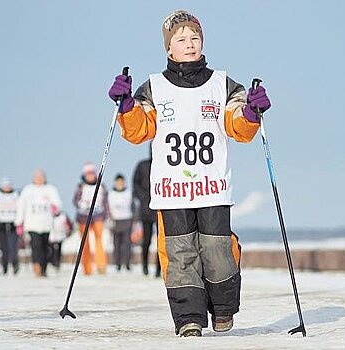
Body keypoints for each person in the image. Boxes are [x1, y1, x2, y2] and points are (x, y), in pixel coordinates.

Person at [107, 10, 271, 337]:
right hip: (171, 189)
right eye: (181, 39)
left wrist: (252, 111)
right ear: (169, 48)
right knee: (180, 254)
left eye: (194, 38)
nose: (190, 44)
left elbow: (238, 127)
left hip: (213, 186)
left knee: (217, 251)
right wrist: (125, 105)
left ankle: (223, 310)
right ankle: (188, 320)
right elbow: (140, 130)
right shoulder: (152, 88)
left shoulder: (224, 84)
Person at [15, 169, 62, 277]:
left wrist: (56, 208)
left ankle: (44, 267)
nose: (39, 179)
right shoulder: (28, 190)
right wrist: (19, 222)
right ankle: (37, 266)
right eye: (37, 177)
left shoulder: (50, 189)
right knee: (36, 246)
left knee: (45, 247)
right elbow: (21, 206)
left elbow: (58, 203)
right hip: (32, 224)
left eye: (41, 177)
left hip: (46, 224)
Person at [73, 162, 109, 275]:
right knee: (85, 243)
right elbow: (75, 201)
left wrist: (107, 215)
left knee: (99, 240)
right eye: (88, 173)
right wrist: (81, 204)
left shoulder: (101, 186)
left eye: (92, 173)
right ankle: (87, 268)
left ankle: (101, 265)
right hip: (83, 217)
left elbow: (106, 202)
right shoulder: (80, 186)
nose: (90, 175)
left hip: (98, 216)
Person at [133, 152, 161, 277]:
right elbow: (135, 183)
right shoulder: (142, 165)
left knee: (161, 239)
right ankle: (145, 266)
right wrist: (143, 198)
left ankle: (159, 269)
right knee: (147, 240)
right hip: (146, 208)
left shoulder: (163, 164)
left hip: (161, 206)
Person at [107, 173, 135, 272]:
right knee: (116, 244)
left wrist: (134, 219)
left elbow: (133, 206)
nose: (120, 184)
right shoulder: (110, 194)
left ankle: (127, 263)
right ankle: (117, 264)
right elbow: (108, 208)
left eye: (121, 182)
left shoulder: (129, 193)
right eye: (118, 182)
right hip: (115, 220)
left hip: (127, 219)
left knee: (127, 244)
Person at [0, 178, 20, 275]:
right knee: (3, 247)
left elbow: (19, 208)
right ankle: (4, 266)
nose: (7, 188)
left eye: (8, 186)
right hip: (2, 224)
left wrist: (17, 221)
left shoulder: (15, 195)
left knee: (13, 246)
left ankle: (15, 264)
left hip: (13, 224)